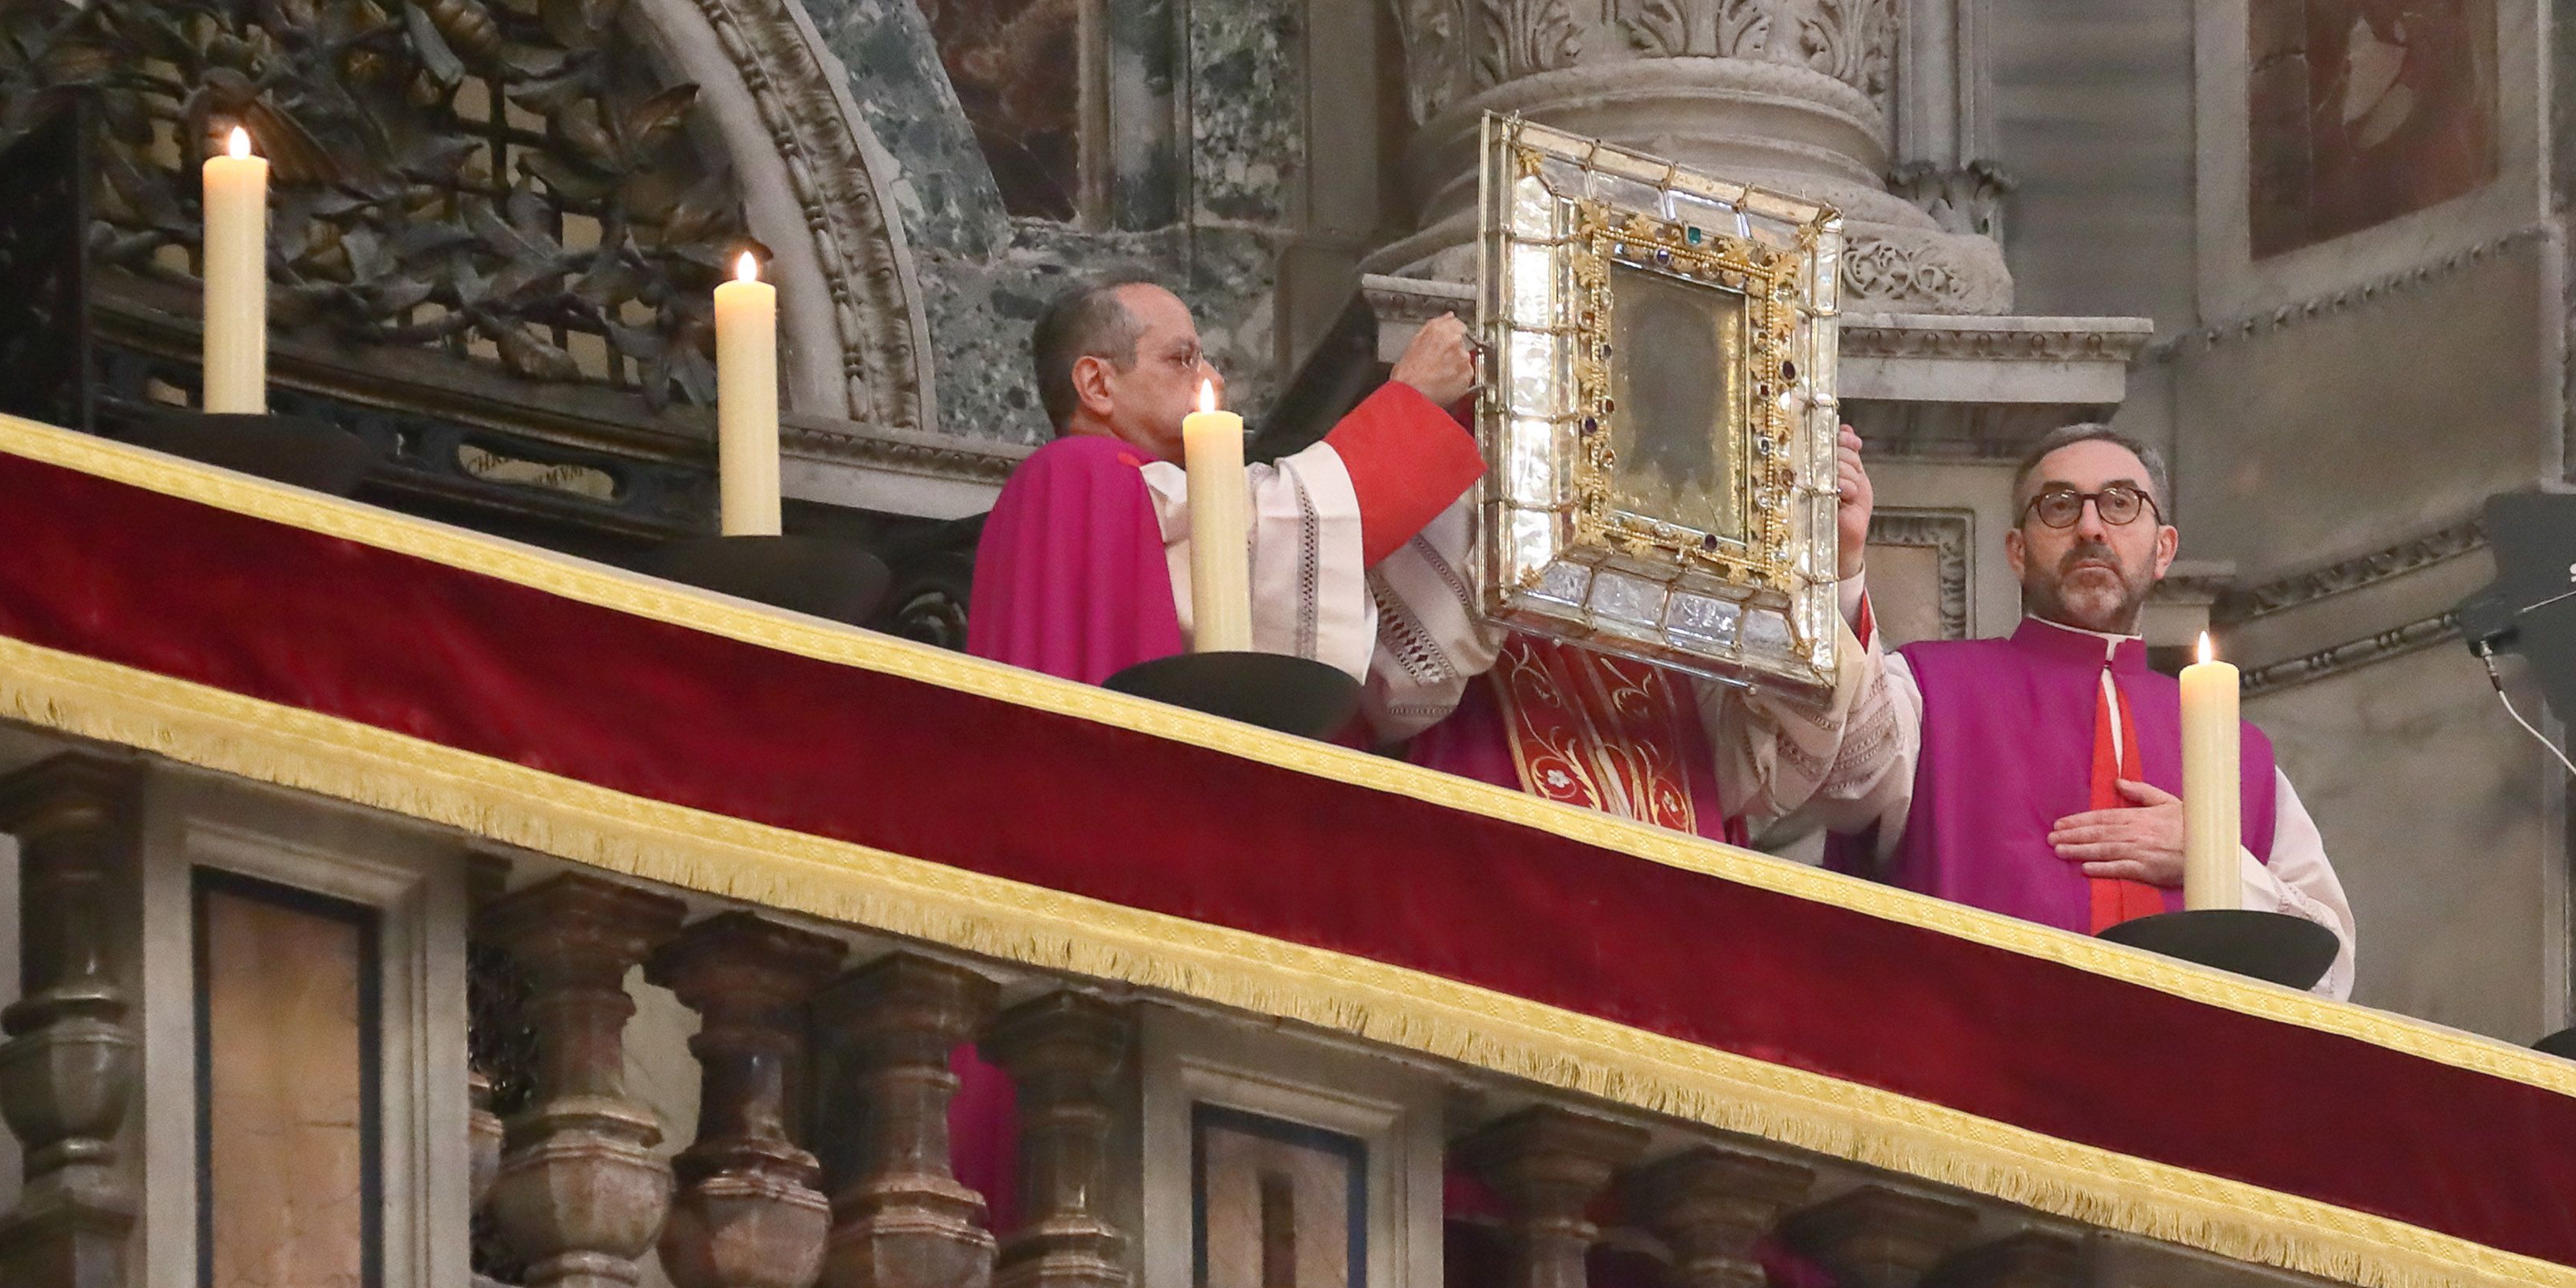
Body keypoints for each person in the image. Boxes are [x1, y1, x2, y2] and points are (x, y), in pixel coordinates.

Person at [1797, 422, 2355, 997]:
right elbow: (1838, 777)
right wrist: (1843, 565)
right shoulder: (1929, 689)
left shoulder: (2244, 756)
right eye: (2059, 506)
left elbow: (2330, 971)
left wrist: (2212, 859)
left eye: (2120, 502)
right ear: (2017, 551)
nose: (2090, 527)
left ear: (2163, 549)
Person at [1364, 425, 1897, 843]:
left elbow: (1784, 779)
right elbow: (1392, 693)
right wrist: (1522, 500)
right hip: (1495, 889)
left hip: (1671, 925)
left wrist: (1825, 564)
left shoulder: (1698, 544)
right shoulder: (1487, 465)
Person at [968, 278, 1483, 689]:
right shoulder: (1080, 472)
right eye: (1182, 358)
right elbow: (1276, 532)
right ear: (1099, 384)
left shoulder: (1128, 486)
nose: (1213, 379)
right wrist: (1410, 401)